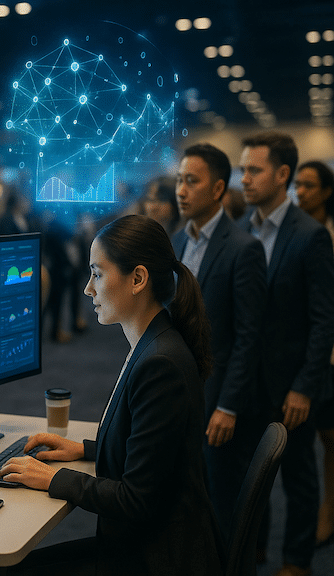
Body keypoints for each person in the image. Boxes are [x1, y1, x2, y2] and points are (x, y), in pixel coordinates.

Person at [1, 214, 223, 576]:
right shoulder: (152, 343)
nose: (88, 288)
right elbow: (149, 452)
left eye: (97, 274)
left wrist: (53, 479)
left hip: (155, 557)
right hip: (145, 542)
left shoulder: (160, 363)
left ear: (137, 278)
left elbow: (137, 499)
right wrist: (84, 449)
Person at [237, 132, 334, 576]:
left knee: (298, 476)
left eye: (253, 170)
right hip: (245, 382)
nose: (245, 179)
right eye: (242, 170)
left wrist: (305, 386)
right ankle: (253, 548)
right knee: (248, 475)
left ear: (282, 174)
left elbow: (323, 321)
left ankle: (296, 559)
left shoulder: (310, 236)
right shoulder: (240, 231)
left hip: (291, 385)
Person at [171, 143, 267, 537]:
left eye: (191, 181)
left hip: (219, 398)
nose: (180, 189)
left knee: (222, 499)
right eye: (179, 179)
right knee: (181, 494)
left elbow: (249, 336)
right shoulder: (175, 242)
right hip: (178, 390)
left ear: (218, 190)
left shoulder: (244, 248)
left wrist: (228, 405)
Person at [293, 159, 334, 547]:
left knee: (330, 439)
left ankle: (328, 511)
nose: (300, 191)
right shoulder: (297, 233)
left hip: (329, 354)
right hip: (307, 355)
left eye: (308, 185)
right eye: (297, 185)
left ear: (326, 191)